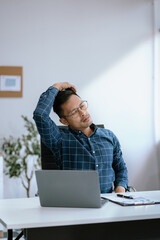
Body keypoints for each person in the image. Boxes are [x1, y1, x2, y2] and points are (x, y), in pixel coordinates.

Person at [33, 82, 128, 193]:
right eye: (74, 112)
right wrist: (56, 87)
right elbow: (40, 115)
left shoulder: (109, 136)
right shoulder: (59, 140)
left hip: (109, 203)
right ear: (64, 121)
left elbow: (120, 168)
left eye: (82, 106)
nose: (82, 113)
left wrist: (120, 189)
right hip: (75, 205)